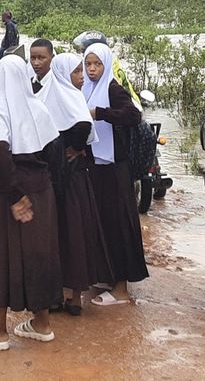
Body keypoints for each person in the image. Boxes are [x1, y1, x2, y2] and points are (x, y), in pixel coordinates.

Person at [0, 55, 61, 354]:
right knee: (38, 255)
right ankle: (42, 323)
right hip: (41, 193)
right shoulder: (38, 107)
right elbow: (55, 153)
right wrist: (38, 190)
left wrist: (15, 195)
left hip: (8, 195)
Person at [41, 51, 113, 315]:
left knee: (68, 233)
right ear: (62, 73)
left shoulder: (53, 97)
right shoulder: (66, 97)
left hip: (65, 179)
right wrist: (75, 147)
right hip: (70, 179)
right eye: (77, 72)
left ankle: (67, 297)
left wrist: (72, 148)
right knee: (71, 232)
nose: (82, 77)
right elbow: (81, 126)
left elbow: (70, 129)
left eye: (83, 71)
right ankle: (71, 297)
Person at [82, 42, 147, 304]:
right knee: (100, 221)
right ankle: (107, 274)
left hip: (114, 169)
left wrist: (101, 113)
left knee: (119, 223)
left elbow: (133, 115)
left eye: (97, 64)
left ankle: (121, 289)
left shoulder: (112, 88)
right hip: (96, 166)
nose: (92, 69)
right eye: (88, 64)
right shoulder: (87, 88)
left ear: (106, 64)